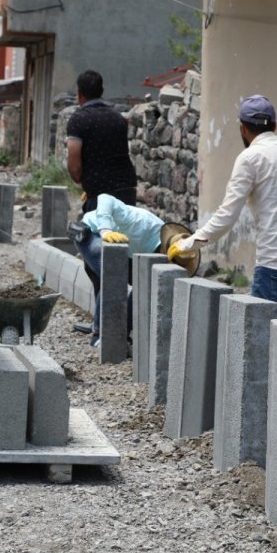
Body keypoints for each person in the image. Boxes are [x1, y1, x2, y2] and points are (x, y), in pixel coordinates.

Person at [168, 95, 277, 320]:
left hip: (275, 268)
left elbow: (227, 216)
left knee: (260, 344)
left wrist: (189, 244)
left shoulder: (251, 158)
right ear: (275, 126)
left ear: (243, 129)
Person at [71, 193, 199, 347]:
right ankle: (102, 336)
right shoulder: (140, 223)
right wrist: (106, 230)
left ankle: (121, 333)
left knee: (142, 285)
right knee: (113, 275)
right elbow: (105, 198)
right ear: (165, 251)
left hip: (125, 250)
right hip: (91, 233)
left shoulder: (157, 252)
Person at [65, 70, 138, 214]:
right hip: (126, 188)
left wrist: (80, 179)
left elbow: (74, 163)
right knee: (124, 233)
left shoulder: (78, 119)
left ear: (79, 94)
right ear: (102, 91)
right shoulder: (118, 117)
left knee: (101, 234)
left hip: (98, 191)